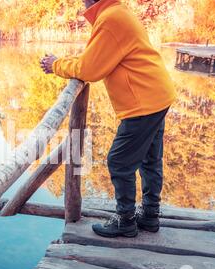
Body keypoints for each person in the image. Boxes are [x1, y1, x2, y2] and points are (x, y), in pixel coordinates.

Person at [40, 0, 176, 238]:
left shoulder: (110, 18)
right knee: (149, 160)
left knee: (119, 162)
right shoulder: (116, 13)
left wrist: (56, 65)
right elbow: (93, 57)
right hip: (156, 95)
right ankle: (150, 216)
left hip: (144, 103)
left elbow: (90, 69)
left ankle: (125, 220)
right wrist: (67, 61)